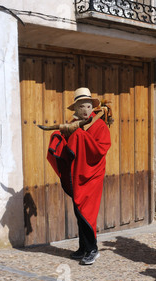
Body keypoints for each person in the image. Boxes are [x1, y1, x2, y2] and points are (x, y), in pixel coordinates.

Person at [47, 87, 111, 265]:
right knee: (78, 210)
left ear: (93, 107)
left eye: (88, 106)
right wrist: (61, 135)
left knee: (87, 212)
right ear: (75, 109)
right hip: (77, 174)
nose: (85, 110)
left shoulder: (99, 125)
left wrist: (79, 135)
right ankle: (83, 247)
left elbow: (101, 149)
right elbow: (67, 146)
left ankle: (93, 249)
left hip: (92, 175)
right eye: (81, 106)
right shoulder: (72, 125)